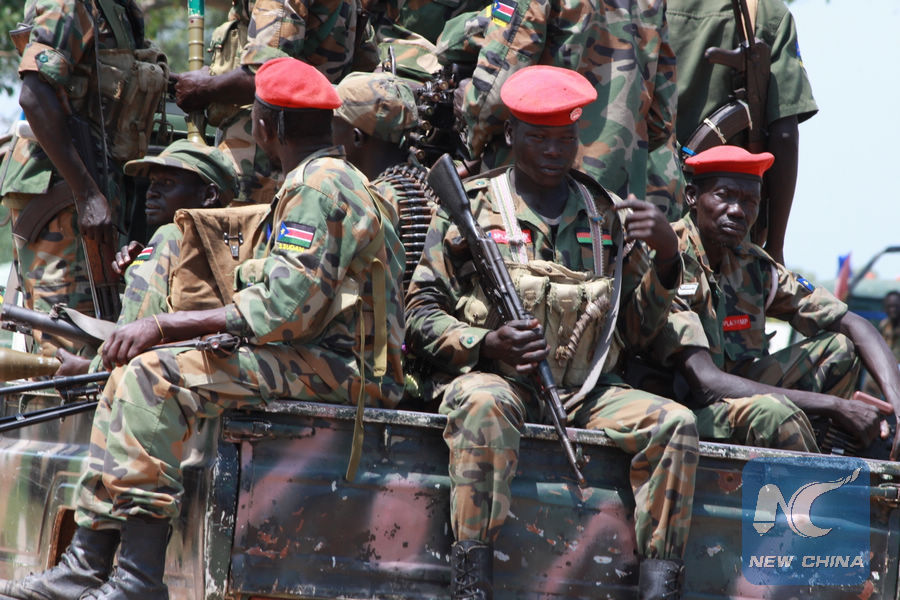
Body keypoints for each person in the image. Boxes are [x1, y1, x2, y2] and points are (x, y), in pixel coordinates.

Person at [0, 56, 405, 600]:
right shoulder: (317, 180)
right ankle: (88, 562)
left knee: (156, 378)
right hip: (318, 356)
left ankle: (137, 578)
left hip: (344, 369)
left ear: (267, 126)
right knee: (127, 374)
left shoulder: (320, 186)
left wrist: (165, 325)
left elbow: (282, 310)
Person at [405, 65, 696, 600]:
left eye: (565, 139)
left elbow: (633, 333)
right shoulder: (474, 206)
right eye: (539, 138)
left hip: (585, 391)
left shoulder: (603, 213)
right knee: (483, 403)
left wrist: (667, 261)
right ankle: (472, 580)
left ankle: (660, 586)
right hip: (503, 382)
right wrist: (485, 344)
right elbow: (420, 312)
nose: (553, 151)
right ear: (511, 133)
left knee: (675, 424)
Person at [661, 145, 900, 457]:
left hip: (737, 399)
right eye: (725, 196)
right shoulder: (668, 257)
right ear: (692, 196)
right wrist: (834, 405)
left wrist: (898, 407)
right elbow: (707, 383)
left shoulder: (752, 264)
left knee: (842, 347)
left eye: (750, 201)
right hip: (676, 410)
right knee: (776, 413)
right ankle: (815, 475)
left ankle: (827, 449)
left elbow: (854, 324)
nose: (737, 210)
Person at [0, 0, 160, 356]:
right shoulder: (69, 3)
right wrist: (87, 194)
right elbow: (34, 95)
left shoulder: (118, 9)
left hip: (95, 186)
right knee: (65, 338)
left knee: (96, 332)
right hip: (64, 192)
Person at [440, 0, 683, 220]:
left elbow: (492, 98)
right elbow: (660, 121)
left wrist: (470, 129)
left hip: (530, 201)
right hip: (615, 200)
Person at [53, 139, 238, 376]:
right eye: (152, 182)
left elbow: (138, 324)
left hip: (153, 376)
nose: (151, 192)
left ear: (209, 195)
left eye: (167, 183)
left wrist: (91, 370)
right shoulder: (227, 243)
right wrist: (136, 271)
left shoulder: (171, 234)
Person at [172, 0, 370, 204]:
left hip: (263, 162)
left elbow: (266, 76)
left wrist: (204, 87)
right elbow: (367, 68)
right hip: (311, 156)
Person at [665, 0, 818, 263]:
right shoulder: (765, 10)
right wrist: (775, 247)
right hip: (726, 228)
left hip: (641, 207)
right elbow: (784, 136)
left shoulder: (629, 5)